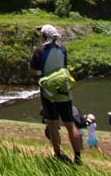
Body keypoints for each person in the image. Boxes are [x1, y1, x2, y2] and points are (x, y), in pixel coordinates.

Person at [28, 24, 82, 165]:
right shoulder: (63, 50)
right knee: (70, 124)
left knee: (52, 123)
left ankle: (58, 153)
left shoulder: (39, 51)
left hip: (48, 91)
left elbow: (32, 70)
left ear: (44, 36)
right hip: (63, 89)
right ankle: (78, 157)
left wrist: (41, 73)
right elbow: (64, 67)